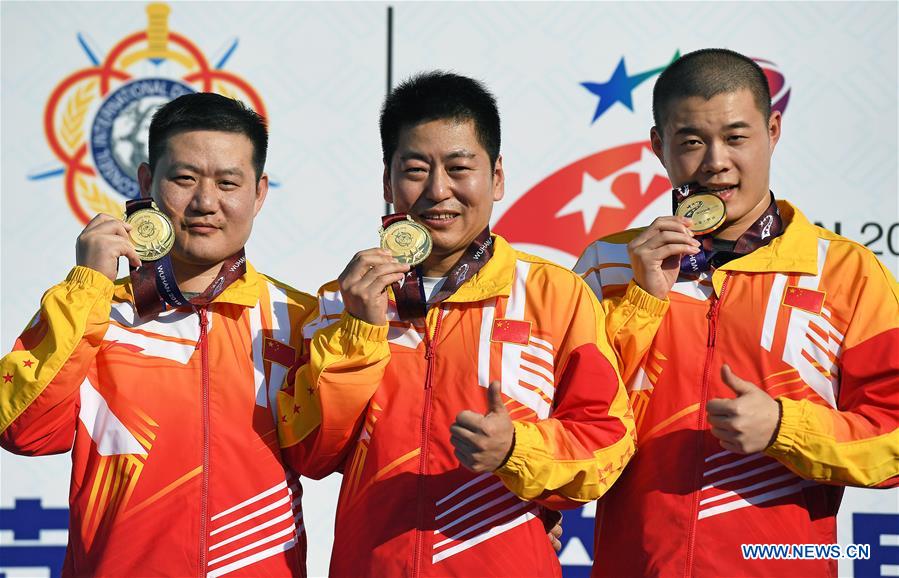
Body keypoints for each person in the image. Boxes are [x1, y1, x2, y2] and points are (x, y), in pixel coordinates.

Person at [277, 71, 645, 577]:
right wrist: (359, 333)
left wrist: (515, 449)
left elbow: (607, 442)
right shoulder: (344, 300)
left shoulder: (555, 295)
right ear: (387, 181)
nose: (438, 190)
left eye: (459, 168)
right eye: (415, 169)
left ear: (497, 177)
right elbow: (311, 454)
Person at [574, 48, 899, 577]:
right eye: (691, 141)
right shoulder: (609, 263)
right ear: (658, 146)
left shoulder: (845, 273)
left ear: (773, 131)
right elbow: (574, 423)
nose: (715, 162)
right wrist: (642, 301)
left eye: (736, 137)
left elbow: (893, 435)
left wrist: (785, 428)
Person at [0, 93, 313, 577]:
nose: (205, 202)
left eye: (228, 183)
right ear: (147, 182)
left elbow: (325, 456)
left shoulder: (298, 320)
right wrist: (88, 287)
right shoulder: (95, 311)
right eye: (184, 179)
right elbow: (24, 431)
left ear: (259, 193)